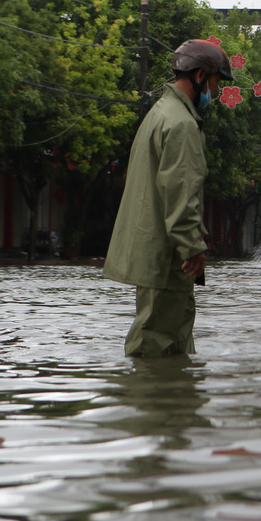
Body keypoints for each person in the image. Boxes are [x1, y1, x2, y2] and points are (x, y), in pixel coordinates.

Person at [103, 39, 232, 356]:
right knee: (157, 346)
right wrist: (192, 247)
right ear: (200, 76)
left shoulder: (160, 113)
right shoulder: (181, 123)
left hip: (157, 251)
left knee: (162, 340)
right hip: (168, 256)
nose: (215, 92)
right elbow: (180, 192)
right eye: (215, 82)